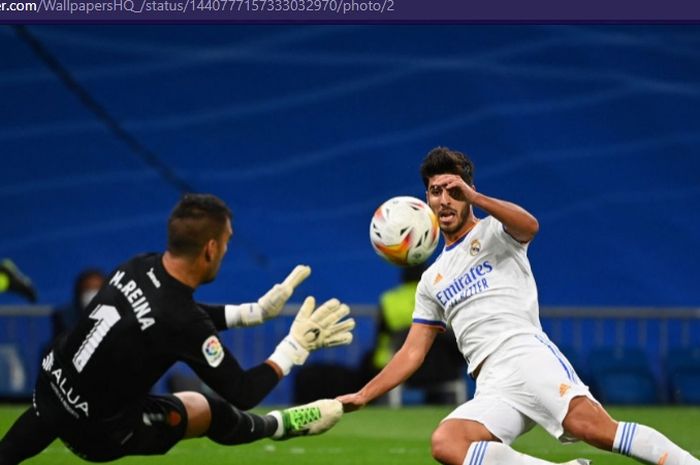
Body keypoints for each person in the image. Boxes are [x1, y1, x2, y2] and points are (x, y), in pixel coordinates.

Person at [338, 147, 699, 465]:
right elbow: (411, 354)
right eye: (436, 191)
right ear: (426, 200)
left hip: (525, 354)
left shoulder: (495, 233)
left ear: (468, 192)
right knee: (448, 443)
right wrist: (364, 394)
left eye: (453, 190)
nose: (445, 200)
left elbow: (530, 225)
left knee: (593, 428)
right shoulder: (432, 280)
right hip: (491, 382)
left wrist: (477, 198)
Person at [0, 193, 354, 465]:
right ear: (211, 249)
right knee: (206, 409)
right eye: (228, 242)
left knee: (20, 443)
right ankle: (279, 425)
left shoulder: (139, 264)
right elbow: (243, 392)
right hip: (102, 434)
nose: (227, 250)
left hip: (52, 388)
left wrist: (252, 313)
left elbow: (165, 315)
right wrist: (294, 347)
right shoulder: (181, 320)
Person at [361, 263, 463, 404]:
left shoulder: (389, 300)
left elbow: (381, 339)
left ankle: (381, 405)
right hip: (444, 372)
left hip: (404, 372)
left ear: (402, 276)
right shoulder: (443, 297)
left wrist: (379, 366)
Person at [51, 268, 106, 339]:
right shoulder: (65, 319)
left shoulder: (117, 319)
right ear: (79, 293)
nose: (92, 294)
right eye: (88, 289)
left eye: (97, 289)